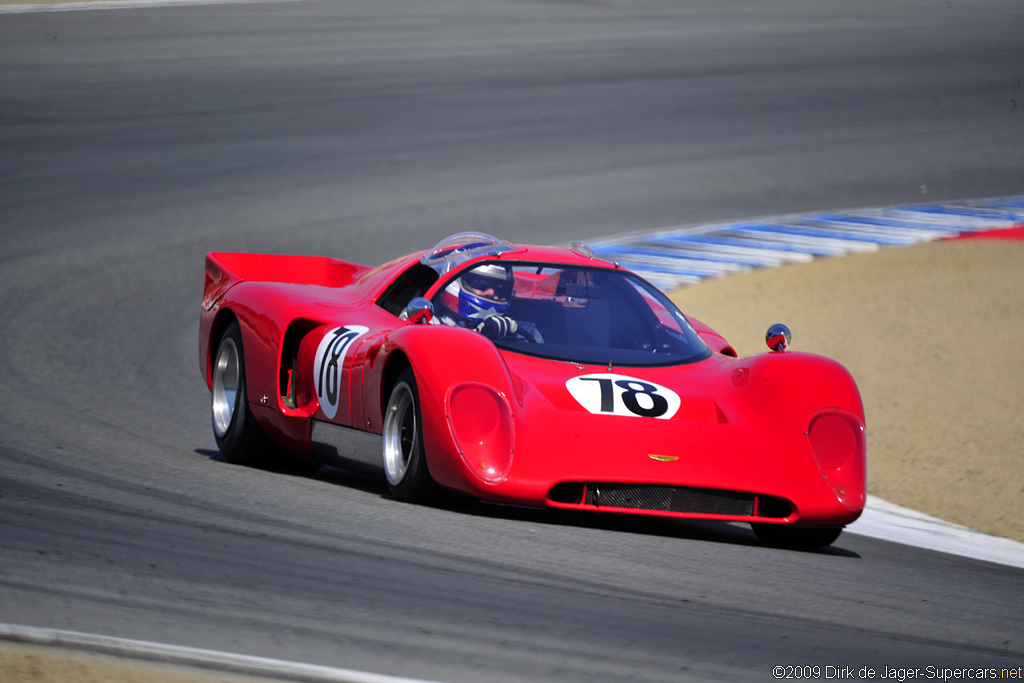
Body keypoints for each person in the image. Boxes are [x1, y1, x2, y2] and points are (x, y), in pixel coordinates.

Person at [433, 263, 542, 342]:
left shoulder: (526, 332)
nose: (491, 292)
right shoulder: (431, 327)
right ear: (454, 283)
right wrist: (476, 338)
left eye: (499, 288)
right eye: (481, 284)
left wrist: (512, 338)